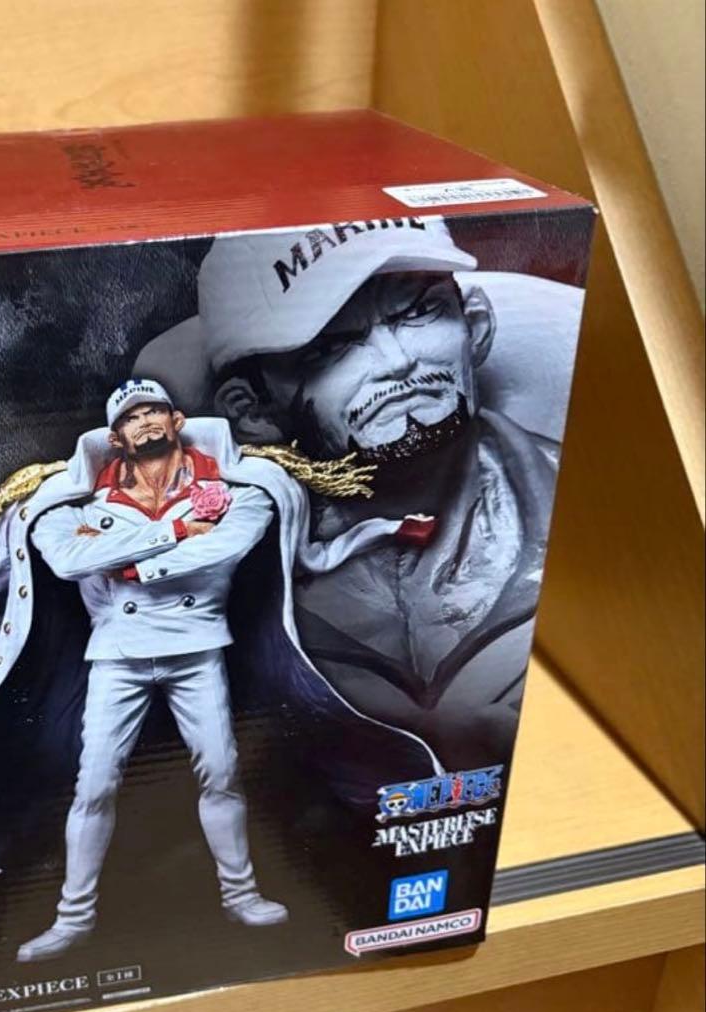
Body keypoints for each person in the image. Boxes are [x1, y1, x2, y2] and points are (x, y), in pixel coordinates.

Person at [0, 378, 441, 963]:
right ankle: (72, 919)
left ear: (176, 421)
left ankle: (241, 895)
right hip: (116, 655)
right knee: (94, 786)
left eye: (154, 411)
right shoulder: (65, 505)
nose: (144, 422)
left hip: (199, 649)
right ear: (115, 437)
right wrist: (170, 531)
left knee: (221, 773)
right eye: (130, 417)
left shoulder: (243, 490)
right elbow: (68, 560)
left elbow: (225, 546)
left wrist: (132, 566)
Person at [135, 218, 576, 764]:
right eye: (330, 347)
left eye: (418, 312)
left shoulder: (597, 517)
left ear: (477, 328)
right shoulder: (221, 581)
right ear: (252, 412)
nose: (398, 362)